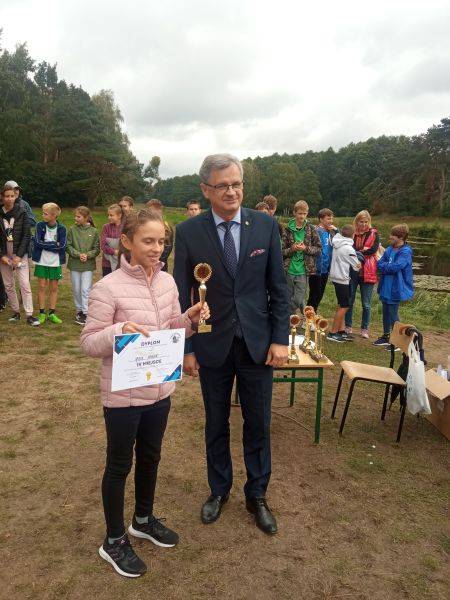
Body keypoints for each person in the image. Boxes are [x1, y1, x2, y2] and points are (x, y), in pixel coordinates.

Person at [80, 208, 209, 578]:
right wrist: (119, 330)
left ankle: (142, 519)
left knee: (151, 457)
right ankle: (113, 540)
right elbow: (88, 343)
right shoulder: (107, 287)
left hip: (159, 389)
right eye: (148, 241)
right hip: (123, 397)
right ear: (127, 242)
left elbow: (170, 327)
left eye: (161, 241)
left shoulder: (167, 282)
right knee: (120, 465)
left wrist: (190, 320)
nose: (156, 248)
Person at [174, 153, 289, 535]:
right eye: (222, 185)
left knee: (258, 422)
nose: (231, 191)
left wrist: (279, 339)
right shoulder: (188, 232)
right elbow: (181, 294)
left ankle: (257, 495)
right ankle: (219, 490)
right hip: (212, 343)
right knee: (216, 422)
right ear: (206, 189)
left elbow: (278, 287)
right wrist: (187, 348)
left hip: (257, 344)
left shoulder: (265, 226)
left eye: (236, 184)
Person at [0, 183, 39, 325]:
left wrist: (18, 255)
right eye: (7, 196)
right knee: (9, 285)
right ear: (2, 197)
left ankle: (29, 315)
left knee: (24, 284)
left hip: (20, 253)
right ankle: (16, 312)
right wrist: (2, 256)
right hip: (4, 254)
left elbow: (26, 235)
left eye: (12, 196)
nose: (10, 199)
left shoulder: (22, 212)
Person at [373, 224, 414, 347]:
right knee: (385, 311)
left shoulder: (405, 252)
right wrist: (386, 266)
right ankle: (386, 336)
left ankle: (398, 342)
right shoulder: (390, 249)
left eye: (393, 235)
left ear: (401, 237)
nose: (390, 237)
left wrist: (385, 267)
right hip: (385, 286)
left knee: (393, 314)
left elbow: (396, 267)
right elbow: (379, 263)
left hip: (396, 288)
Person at [281, 200, 321, 316]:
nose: (302, 216)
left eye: (304, 213)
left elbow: (319, 249)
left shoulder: (311, 229)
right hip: (289, 269)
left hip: (304, 270)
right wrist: (292, 249)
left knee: (298, 299)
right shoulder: (287, 230)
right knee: (288, 296)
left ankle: (283, 313)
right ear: (294, 213)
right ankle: (290, 322)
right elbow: (281, 251)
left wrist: (305, 248)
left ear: (307, 213)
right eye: (300, 213)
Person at [344, 210, 380, 339]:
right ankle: (348, 326)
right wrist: (362, 250)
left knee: (366, 303)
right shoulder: (352, 233)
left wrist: (358, 252)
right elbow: (348, 250)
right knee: (350, 300)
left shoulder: (374, 233)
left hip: (368, 271)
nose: (363, 224)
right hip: (353, 270)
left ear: (369, 222)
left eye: (366, 222)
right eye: (361, 222)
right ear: (357, 222)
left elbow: (373, 250)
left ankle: (365, 328)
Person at [32, 202, 67, 324]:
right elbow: (37, 243)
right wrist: (54, 244)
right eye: (43, 213)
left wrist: (46, 245)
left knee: (54, 288)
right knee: (42, 287)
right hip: (42, 261)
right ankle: (42, 313)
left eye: (45, 214)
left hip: (55, 262)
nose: (43, 215)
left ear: (53, 216)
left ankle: (52, 313)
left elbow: (62, 246)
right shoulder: (39, 225)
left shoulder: (62, 228)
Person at [66, 206, 100, 325]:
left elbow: (97, 249)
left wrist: (87, 255)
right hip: (75, 264)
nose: (76, 218)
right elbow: (68, 246)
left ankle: (86, 312)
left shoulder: (94, 231)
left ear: (86, 218)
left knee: (86, 289)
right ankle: (79, 310)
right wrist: (78, 254)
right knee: (77, 289)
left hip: (88, 265)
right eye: (75, 216)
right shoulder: (72, 229)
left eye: (78, 216)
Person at [327, 224, 361, 342]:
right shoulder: (349, 248)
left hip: (336, 277)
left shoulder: (337, 243)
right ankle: (333, 333)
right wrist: (360, 260)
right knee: (345, 306)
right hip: (342, 278)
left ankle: (341, 331)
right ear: (353, 235)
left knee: (341, 304)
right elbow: (356, 266)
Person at [307, 208, 338, 312]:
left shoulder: (331, 232)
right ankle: (308, 317)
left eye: (332, 218)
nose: (331, 221)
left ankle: (312, 314)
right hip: (316, 268)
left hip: (326, 268)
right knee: (314, 294)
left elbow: (340, 240)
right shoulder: (316, 231)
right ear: (321, 219)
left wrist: (336, 230)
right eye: (328, 219)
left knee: (320, 294)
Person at [146, 199, 173, 272]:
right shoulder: (145, 226)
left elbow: (167, 249)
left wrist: (154, 260)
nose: (148, 213)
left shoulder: (167, 228)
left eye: (150, 211)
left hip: (160, 267)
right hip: (145, 265)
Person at [100, 204, 123, 277]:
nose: (109, 217)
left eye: (111, 215)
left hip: (121, 263)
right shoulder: (106, 227)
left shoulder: (125, 228)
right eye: (108, 215)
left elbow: (127, 244)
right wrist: (114, 252)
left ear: (119, 215)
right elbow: (103, 245)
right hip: (107, 264)